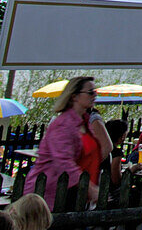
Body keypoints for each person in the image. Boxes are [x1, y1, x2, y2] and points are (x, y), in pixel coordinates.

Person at [25, 75, 101, 209]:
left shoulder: (84, 122)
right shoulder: (63, 125)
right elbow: (63, 162)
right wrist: (90, 188)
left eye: (95, 92)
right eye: (90, 92)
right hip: (50, 193)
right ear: (74, 96)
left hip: (73, 192)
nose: (94, 95)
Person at [101, 119, 128, 188]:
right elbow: (116, 180)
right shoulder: (116, 153)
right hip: (107, 190)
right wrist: (132, 170)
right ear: (122, 136)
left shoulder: (100, 148)